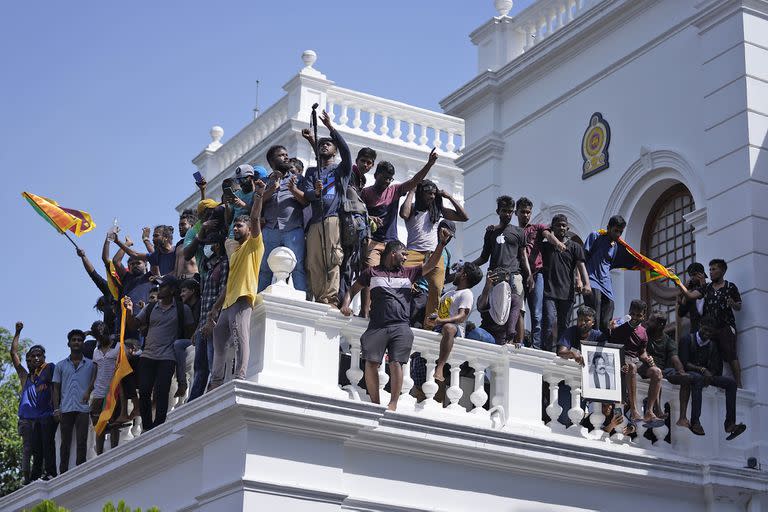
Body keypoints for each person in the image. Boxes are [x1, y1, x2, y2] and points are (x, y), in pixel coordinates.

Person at [340, 227, 452, 411]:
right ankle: (375, 402)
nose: (406, 257)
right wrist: (346, 305)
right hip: (377, 326)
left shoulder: (408, 273)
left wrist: (441, 244)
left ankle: (393, 403)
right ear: (393, 253)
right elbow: (353, 289)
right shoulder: (372, 273)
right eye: (403, 254)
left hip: (401, 326)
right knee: (371, 362)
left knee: (396, 363)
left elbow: (431, 265)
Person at [360, 149, 439, 316]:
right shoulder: (366, 193)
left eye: (390, 179)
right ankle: (365, 312)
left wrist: (429, 164)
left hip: (391, 243)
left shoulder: (394, 190)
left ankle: (388, 310)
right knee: (371, 273)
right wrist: (370, 217)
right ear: (376, 176)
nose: (387, 182)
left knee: (396, 276)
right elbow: (359, 212)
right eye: (384, 178)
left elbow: (414, 181)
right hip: (372, 241)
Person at [209, 179, 266, 388]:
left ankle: (241, 375)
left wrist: (259, 194)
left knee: (240, 335)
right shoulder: (235, 253)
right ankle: (215, 381)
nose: (235, 228)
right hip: (227, 302)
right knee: (219, 338)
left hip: (242, 298)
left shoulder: (254, 245)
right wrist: (215, 308)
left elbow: (255, 217)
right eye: (234, 225)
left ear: (250, 230)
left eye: (239, 225)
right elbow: (229, 283)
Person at [124, 275, 194, 431]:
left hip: (167, 357)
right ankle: (147, 428)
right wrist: (129, 312)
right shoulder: (150, 307)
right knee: (144, 391)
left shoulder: (183, 309)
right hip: (148, 355)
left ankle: (159, 426)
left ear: (173, 290)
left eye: (163, 287)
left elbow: (189, 332)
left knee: (162, 391)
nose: (159, 289)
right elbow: (133, 325)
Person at [401, 180, 469, 328]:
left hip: (434, 255)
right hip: (413, 253)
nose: (432, 196)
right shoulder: (412, 208)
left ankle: (429, 324)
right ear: (421, 193)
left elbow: (464, 217)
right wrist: (411, 191)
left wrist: (448, 196)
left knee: (437, 289)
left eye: (433, 194)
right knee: (401, 282)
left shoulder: (437, 211)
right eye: (428, 193)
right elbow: (404, 214)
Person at [301, 111, 352, 307]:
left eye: (328, 144)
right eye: (321, 144)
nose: (324, 146)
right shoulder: (313, 171)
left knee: (333, 258)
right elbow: (307, 194)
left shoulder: (341, 170)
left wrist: (331, 127)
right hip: (315, 221)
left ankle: (331, 298)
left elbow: (347, 151)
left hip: (333, 218)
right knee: (314, 261)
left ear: (334, 150)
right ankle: (319, 298)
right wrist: (316, 192)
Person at [472, 195, 533, 344]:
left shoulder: (519, 232)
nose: (508, 214)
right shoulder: (491, 232)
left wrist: (529, 275)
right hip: (495, 277)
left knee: (518, 309)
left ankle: (517, 343)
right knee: (496, 308)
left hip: (515, 275)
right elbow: (484, 258)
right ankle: (499, 339)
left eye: (510, 211)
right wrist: (468, 266)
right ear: (498, 211)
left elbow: (523, 256)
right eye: (504, 211)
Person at [183, 214, 230, 400]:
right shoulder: (207, 267)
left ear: (217, 246)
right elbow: (204, 298)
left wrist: (213, 319)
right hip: (202, 322)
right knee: (199, 367)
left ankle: (214, 396)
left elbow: (223, 293)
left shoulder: (224, 264)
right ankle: (194, 400)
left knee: (212, 362)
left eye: (210, 244)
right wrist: (197, 327)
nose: (206, 248)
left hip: (213, 321)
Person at [677, 259, 742, 387]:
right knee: (713, 353)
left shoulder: (730, 286)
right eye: (710, 269)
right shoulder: (706, 288)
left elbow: (739, 305)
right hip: (709, 329)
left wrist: (732, 303)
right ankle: (715, 380)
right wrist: (678, 283)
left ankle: (738, 383)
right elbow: (689, 298)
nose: (711, 272)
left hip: (725, 326)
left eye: (714, 269)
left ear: (722, 271)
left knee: (730, 353)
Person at [679, 316, 746, 439]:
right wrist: (702, 370)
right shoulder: (687, 339)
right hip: (691, 373)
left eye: (710, 331)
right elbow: (684, 363)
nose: (707, 333)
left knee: (731, 383)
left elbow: (715, 366)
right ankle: (695, 422)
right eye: (705, 330)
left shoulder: (713, 345)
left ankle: (730, 424)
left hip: (706, 376)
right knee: (697, 379)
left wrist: (710, 375)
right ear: (700, 326)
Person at [11, 322, 57, 483]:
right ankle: (27, 479)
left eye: (37, 357)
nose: (34, 360)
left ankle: (45, 473)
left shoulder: (45, 373)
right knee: (28, 449)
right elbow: (13, 354)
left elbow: (54, 389)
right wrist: (17, 332)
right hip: (26, 419)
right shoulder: (25, 377)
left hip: (42, 416)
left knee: (43, 446)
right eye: (30, 358)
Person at [258, 145, 308, 293]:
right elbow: (256, 203)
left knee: (297, 266)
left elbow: (306, 201)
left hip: (292, 229)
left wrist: (293, 190)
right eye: (281, 155)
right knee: (265, 268)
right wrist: (272, 188)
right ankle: (259, 299)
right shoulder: (264, 181)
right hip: (270, 230)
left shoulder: (297, 178)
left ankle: (302, 302)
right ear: (272, 160)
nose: (286, 157)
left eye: (287, 154)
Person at [540, 214, 590, 352]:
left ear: (567, 228)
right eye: (558, 225)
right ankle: (546, 352)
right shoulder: (545, 247)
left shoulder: (574, 247)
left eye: (563, 225)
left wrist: (586, 283)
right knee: (549, 321)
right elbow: (538, 233)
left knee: (564, 325)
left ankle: (560, 353)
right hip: (548, 291)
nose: (561, 227)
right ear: (552, 228)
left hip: (567, 293)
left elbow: (581, 265)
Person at [610, 300, 664, 427]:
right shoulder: (620, 327)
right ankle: (634, 411)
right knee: (632, 366)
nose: (635, 318)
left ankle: (650, 411)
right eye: (632, 314)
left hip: (636, 361)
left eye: (638, 315)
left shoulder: (643, 332)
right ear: (629, 313)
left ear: (643, 316)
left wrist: (648, 358)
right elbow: (612, 344)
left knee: (657, 372)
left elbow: (642, 352)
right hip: (623, 360)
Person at [515, 197, 559, 350]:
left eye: (528, 212)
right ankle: (518, 341)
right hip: (519, 275)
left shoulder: (537, 228)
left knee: (537, 312)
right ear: (516, 212)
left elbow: (548, 235)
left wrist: (557, 243)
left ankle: (536, 345)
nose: (526, 215)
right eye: (523, 212)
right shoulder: (514, 232)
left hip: (537, 274)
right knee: (519, 310)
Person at [430, 261, 483, 381]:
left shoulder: (467, 294)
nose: (456, 273)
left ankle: (440, 367)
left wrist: (441, 321)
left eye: (459, 271)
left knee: (449, 327)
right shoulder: (450, 292)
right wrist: (435, 318)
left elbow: (461, 317)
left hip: (455, 329)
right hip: (440, 326)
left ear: (464, 276)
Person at [52, 329, 95, 473]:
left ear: (83, 343)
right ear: (68, 343)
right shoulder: (60, 365)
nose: (77, 342)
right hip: (66, 409)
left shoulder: (91, 364)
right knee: (65, 444)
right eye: (74, 340)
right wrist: (56, 409)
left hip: (83, 408)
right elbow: (56, 388)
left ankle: (80, 472)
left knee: (82, 442)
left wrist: (88, 391)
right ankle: (63, 473)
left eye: (79, 340)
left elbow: (95, 381)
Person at [642, 312, 693, 428]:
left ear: (660, 325)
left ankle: (683, 418)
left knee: (686, 379)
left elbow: (675, 359)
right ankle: (656, 409)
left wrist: (682, 372)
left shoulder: (668, 341)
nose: (647, 323)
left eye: (651, 321)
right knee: (657, 373)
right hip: (645, 367)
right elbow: (642, 352)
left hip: (662, 370)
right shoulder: (644, 334)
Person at [583, 215, 626, 334]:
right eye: (615, 231)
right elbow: (582, 259)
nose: (618, 234)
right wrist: (580, 279)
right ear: (608, 228)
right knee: (594, 309)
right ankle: (593, 337)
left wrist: (657, 268)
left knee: (609, 309)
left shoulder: (616, 246)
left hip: (606, 283)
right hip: (592, 279)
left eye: (620, 232)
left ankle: (604, 339)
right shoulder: (595, 236)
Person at [84, 322, 121, 454]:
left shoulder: (118, 347)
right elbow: (95, 371)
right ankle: (99, 455)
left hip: (113, 390)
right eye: (98, 336)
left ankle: (114, 452)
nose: (101, 337)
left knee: (114, 422)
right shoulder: (95, 351)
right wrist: (89, 390)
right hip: (98, 392)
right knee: (98, 423)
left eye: (103, 334)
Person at [224, 163, 269, 257]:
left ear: (251, 177)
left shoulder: (257, 193)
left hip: (250, 237)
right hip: (233, 237)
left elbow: (257, 215)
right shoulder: (236, 194)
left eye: (243, 179)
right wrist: (227, 205)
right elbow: (228, 220)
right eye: (238, 180)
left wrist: (243, 205)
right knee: (235, 267)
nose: (241, 182)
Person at [172, 279, 201, 398]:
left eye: (184, 291)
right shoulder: (185, 308)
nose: (181, 294)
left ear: (193, 291)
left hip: (199, 339)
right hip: (191, 340)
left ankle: (182, 383)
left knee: (178, 344)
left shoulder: (200, 303)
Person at [677, 262, 707, 335]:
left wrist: (704, 286)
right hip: (695, 330)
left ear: (701, 274)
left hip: (708, 329)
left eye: (694, 275)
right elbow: (681, 313)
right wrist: (685, 295)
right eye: (690, 275)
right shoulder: (691, 290)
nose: (692, 278)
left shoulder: (710, 286)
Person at [174, 209, 199, 279]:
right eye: (179, 225)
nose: (180, 227)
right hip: (180, 283)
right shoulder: (178, 245)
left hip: (194, 280)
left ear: (192, 225)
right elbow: (176, 269)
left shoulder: (198, 239)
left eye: (183, 224)